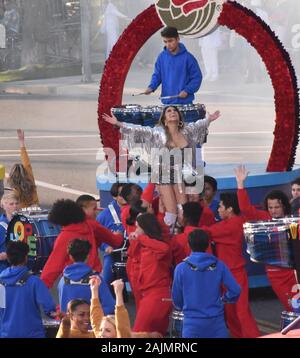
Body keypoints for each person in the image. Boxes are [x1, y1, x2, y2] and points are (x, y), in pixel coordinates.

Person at [103, 105, 221, 231]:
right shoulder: (158, 132)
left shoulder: (187, 130)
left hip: (182, 174)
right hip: (164, 174)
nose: (172, 112)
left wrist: (209, 119)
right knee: (171, 213)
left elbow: (199, 124)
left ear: (179, 117)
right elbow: (139, 130)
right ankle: (168, 234)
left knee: (183, 211)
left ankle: (181, 236)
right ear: (164, 119)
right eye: (168, 111)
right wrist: (119, 123)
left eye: (175, 110)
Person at [235, 165, 298, 311]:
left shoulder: (293, 219)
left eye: (277, 207)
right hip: (276, 275)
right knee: (292, 308)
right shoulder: (264, 219)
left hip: (295, 272)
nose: (274, 210)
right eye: (270, 207)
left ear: (284, 206)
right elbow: (245, 208)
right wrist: (240, 185)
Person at [201, 192, 261, 338]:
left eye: (221, 206)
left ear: (230, 209)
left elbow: (206, 232)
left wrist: (187, 228)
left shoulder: (234, 224)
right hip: (227, 274)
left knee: (240, 312)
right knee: (231, 313)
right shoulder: (228, 223)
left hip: (235, 274)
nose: (218, 209)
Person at [172, 229, 241, 338]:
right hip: (216, 323)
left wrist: (183, 306)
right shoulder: (219, 265)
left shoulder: (181, 268)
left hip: (192, 324)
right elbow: (235, 290)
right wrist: (224, 299)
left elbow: (177, 299)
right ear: (207, 244)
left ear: (189, 245)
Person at [40, 199, 123, 288]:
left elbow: (53, 267)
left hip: (73, 283)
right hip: (95, 280)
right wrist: (119, 235)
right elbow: (115, 240)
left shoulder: (64, 237)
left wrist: (39, 290)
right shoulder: (91, 225)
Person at [0, 241, 56, 338]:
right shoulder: (34, 281)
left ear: (8, 258)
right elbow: (49, 309)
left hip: (6, 334)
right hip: (33, 334)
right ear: (26, 258)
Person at [130, 213, 173, 336]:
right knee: (155, 335)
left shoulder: (158, 245)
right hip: (150, 295)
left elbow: (164, 248)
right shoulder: (145, 245)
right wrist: (135, 241)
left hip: (157, 296)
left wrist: (140, 238)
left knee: (138, 334)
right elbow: (132, 254)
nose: (135, 230)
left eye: (138, 227)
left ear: (146, 228)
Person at [144, 26, 202, 105]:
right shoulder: (161, 57)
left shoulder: (188, 58)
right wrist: (151, 87)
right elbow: (157, 75)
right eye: (165, 41)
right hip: (167, 103)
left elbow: (197, 77)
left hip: (185, 103)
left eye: (170, 41)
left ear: (178, 39)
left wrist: (187, 90)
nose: (168, 44)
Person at [89, 276, 162, 338]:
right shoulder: (100, 335)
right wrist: (94, 290)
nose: (101, 334)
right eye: (101, 330)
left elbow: (122, 328)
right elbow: (96, 319)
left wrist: (118, 293)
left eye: (108, 330)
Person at [57, 238, 115, 315]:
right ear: (88, 256)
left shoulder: (62, 281)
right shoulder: (97, 280)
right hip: (92, 325)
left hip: (69, 325)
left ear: (70, 256)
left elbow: (63, 308)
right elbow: (110, 306)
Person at [96, 183, 126, 286]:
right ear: (114, 196)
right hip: (113, 254)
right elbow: (97, 236)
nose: (126, 196)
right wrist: (106, 246)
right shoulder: (104, 216)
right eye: (122, 194)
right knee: (106, 280)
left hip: (135, 253)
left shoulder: (137, 209)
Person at [7, 129, 39, 208]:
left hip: (22, 213)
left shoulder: (15, 192)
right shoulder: (29, 178)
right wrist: (22, 142)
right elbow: (26, 162)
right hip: (35, 208)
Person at [0, 192, 20, 273]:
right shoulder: (1, 226)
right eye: (11, 204)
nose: (15, 206)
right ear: (3, 206)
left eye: (17, 203)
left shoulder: (23, 222)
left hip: (20, 268)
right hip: (4, 270)